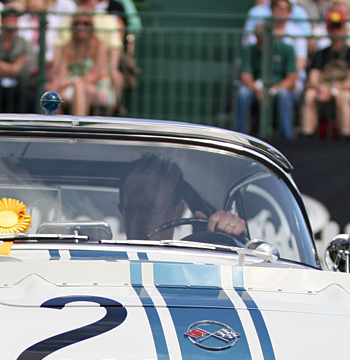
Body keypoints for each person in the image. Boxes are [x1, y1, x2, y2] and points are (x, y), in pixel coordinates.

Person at [117, 154, 248, 242]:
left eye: (155, 207)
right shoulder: (101, 267)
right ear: (122, 212)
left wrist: (233, 236)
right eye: (134, 208)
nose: (144, 217)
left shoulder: (198, 264)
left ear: (178, 212)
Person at [301, 9, 350, 139]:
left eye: (338, 27)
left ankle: (345, 138)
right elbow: (313, 77)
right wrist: (321, 88)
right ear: (328, 30)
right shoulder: (321, 53)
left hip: (345, 91)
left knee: (343, 97)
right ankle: (307, 135)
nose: (336, 32)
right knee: (310, 95)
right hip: (323, 89)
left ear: (344, 29)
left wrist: (333, 90)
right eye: (332, 28)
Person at [235, 18, 299, 140]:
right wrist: (257, 89)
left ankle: (287, 138)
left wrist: (274, 90)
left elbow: (291, 78)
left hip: (278, 88)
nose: (262, 40)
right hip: (255, 89)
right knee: (243, 93)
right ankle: (240, 137)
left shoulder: (286, 49)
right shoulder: (249, 50)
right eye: (259, 37)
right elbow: (245, 75)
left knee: (284, 95)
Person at [46, 11, 113, 115]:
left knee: (79, 86)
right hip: (72, 86)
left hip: (98, 88)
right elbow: (62, 74)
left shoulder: (100, 46)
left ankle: (77, 124)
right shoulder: (67, 47)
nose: (81, 27)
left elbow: (95, 76)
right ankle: (59, 128)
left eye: (85, 23)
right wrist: (59, 84)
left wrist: (73, 81)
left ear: (91, 27)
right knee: (53, 93)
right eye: (77, 23)